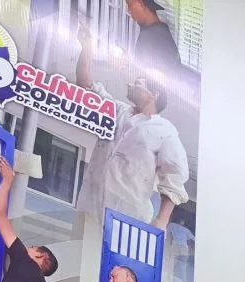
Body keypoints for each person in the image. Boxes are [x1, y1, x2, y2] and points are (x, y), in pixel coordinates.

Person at [76, 24, 189, 228]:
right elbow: (85, 87)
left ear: (154, 94)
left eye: (138, 83)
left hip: (127, 220)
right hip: (90, 210)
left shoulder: (165, 131)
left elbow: (175, 176)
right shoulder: (117, 110)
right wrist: (86, 48)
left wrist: (161, 222)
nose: (130, 84)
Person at [125, 0, 182, 74]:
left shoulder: (153, 37)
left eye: (130, 5)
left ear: (140, 4)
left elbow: (149, 76)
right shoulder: (158, 31)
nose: (129, 11)